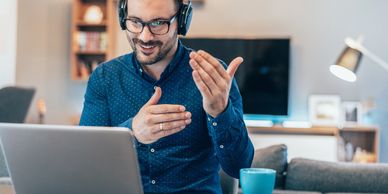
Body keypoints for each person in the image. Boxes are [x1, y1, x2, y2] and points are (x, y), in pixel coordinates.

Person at [80, 0, 254, 193]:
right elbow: (86, 160)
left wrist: (220, 112)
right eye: (135, 22)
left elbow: (239, 167)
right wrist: (131, 132)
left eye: (158, 23)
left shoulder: (214, 76)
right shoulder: (104, 78)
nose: (145, 37)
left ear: (181, 20)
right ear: (123, 18)